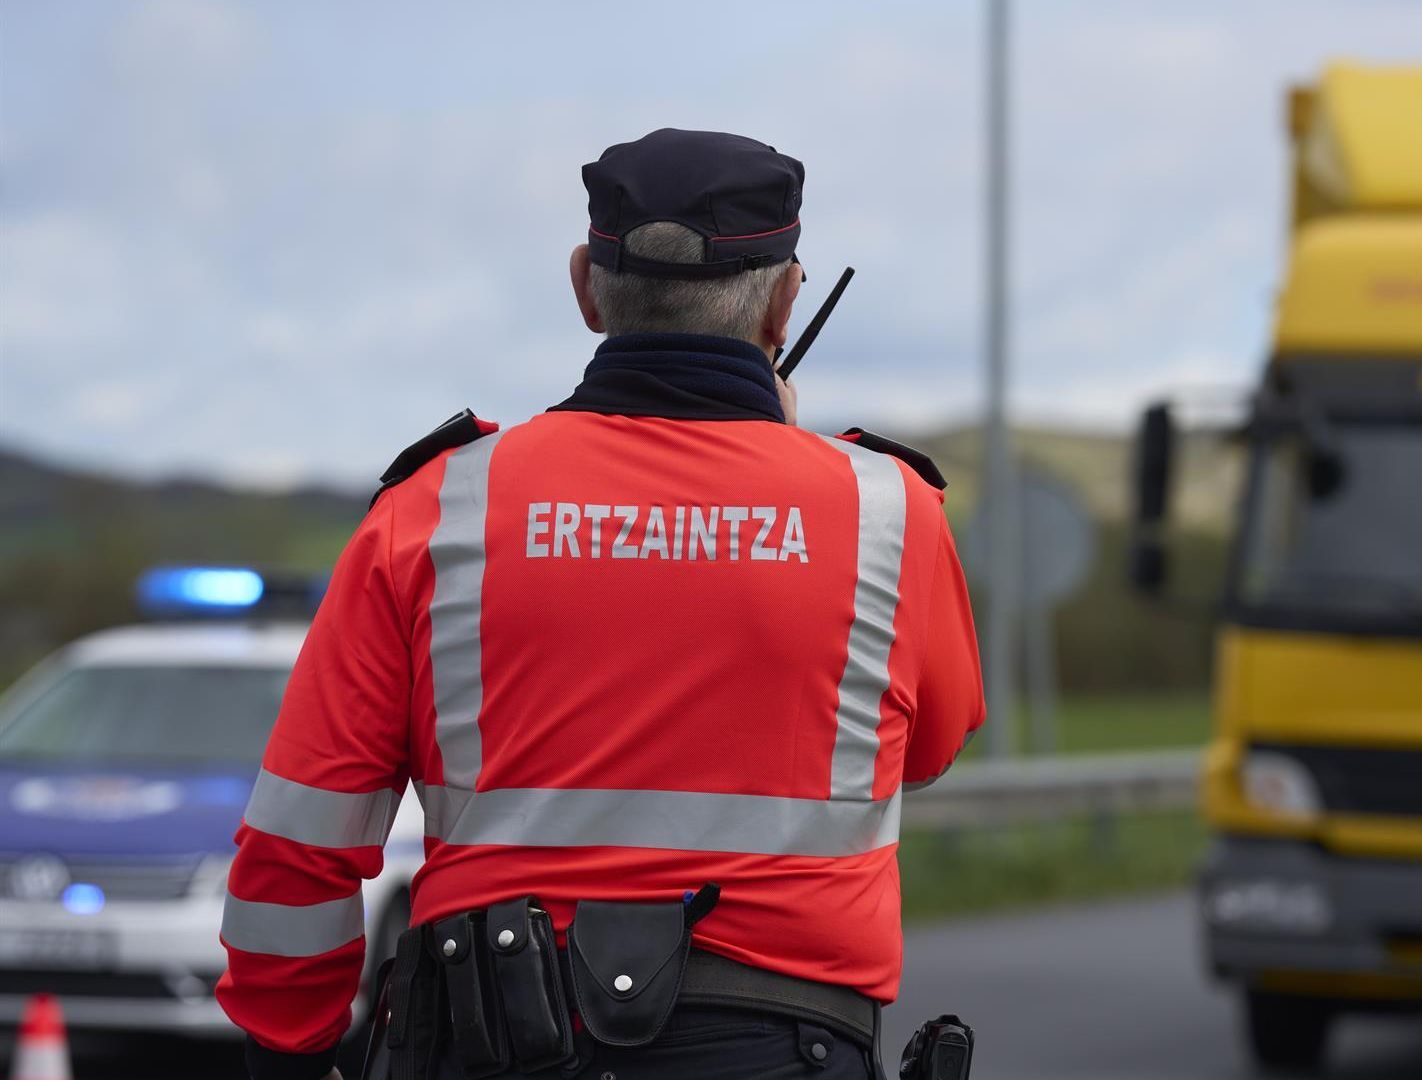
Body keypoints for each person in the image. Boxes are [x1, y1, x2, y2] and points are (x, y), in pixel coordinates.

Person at [216, 128, 986, 1080]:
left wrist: (289, 1051)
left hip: (490, 1042)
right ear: (786, 303)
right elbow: (928, 749)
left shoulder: (436, 505)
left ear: (586, 287)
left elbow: (300, 838)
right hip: (788, 1047)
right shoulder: (890, 515)